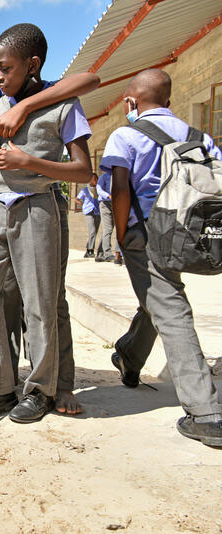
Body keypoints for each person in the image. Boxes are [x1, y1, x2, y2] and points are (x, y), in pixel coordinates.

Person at [0, 23, 92, 425]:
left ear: (32, 65)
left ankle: (40, 390)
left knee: (39, 305)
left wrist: (28, 162)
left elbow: (84, 171)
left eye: (5, 69)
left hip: (37, 208)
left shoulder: (64, 106)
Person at [100, 69, 222, 446]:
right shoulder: (201, 137)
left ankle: (206, 412)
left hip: (147, 233)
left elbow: (119, 187)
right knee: (160, 297)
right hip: (192, 232)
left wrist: (121, 234)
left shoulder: (125, 134)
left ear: (130, 103)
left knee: (170, 309)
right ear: (168, 102)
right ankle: (129, 357)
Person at [96, 172, 123, 264]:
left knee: (119, 228)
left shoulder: (119, 175)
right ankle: (107, 253)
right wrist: (108, 195)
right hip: (105, 203)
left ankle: (118, 253)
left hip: (117, 202)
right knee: (108, 229)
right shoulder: (104, 176)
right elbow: (99, 189)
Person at [76, 174, 101, 257]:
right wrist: (82, 204)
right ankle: (90, 250)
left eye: (97, 179)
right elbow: (77, 199)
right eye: (94, 179)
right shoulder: (85, 190)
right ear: (90, 180)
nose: (96, 181)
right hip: (89, 211)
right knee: (92, 231)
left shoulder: (98, 189)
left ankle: (88, 251)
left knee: (94, 232)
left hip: (97, 211)